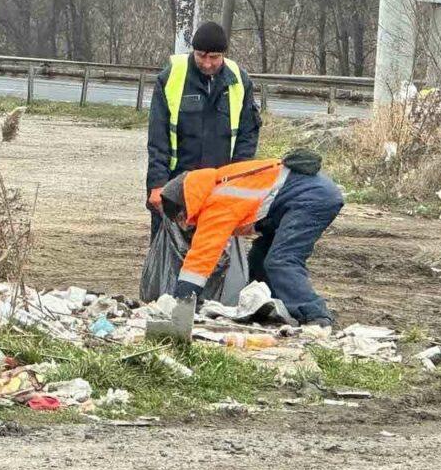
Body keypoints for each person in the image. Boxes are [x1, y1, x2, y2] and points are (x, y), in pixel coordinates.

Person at [158, 149, 343, 328]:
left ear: (185, 206)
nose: (186, 225)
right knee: (259, 259)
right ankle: (268, 309)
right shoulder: (215, 185)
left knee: (281, 261)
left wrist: (182, 302)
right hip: (303, 195)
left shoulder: (217, 202)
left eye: (182, 219)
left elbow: (201, 257)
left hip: (310, 197)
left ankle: (316, 315)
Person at [146, 21, 261, 237]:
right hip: (176, 183)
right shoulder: (171, 77)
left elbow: (247, 136)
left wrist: (239, 182)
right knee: (169, 253)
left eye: (214, 58)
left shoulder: (239, 81)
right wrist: (157, 183)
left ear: (224, 55)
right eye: (201, 56)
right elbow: (157, 136)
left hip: (219, 185)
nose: (207, 63)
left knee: (213, 253)